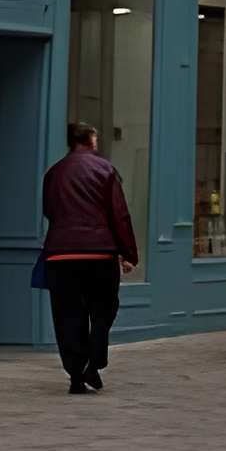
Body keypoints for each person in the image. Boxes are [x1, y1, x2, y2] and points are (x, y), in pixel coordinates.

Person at [40, 119, 138, 395]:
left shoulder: (54, 173)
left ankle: (75, 374)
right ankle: (94, 361)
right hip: (99, 252)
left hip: (61, 254)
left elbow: (49, 210)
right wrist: (128, 253)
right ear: (92, 140)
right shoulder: (105, 170)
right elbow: (119, 215)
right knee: (104, 308)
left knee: (67, 314)